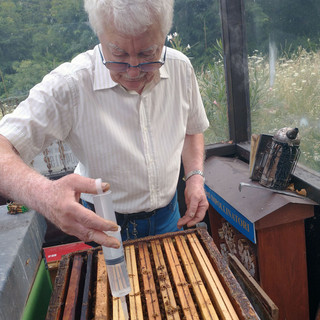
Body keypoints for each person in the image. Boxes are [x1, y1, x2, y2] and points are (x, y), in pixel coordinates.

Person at [0, 0, 209, 247]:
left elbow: (192, 129)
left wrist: (195, 177)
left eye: (147, 53)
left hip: (170, 215)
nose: (133, 71)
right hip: (103, 224)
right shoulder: (71, 83)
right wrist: (45, 195)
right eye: (118, 54)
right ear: (99, 35)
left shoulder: (181, 68)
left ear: (164, 35)